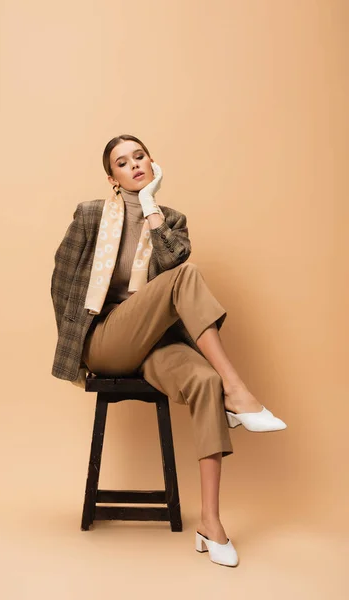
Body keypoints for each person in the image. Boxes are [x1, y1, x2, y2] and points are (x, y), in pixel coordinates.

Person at [50, 134, 287, 567]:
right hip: (105, 340)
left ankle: (210, 525)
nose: (134, 165)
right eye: (123, 163)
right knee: (187, 276)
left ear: (152, 163)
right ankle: (241, 395)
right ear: (113, 178)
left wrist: (152, 204)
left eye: (139, 157)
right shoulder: (91, 215)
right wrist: (76, 344)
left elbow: (172, 265)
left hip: (152, 341)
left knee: (204, 381)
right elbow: (61, 277)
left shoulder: (171, 219)